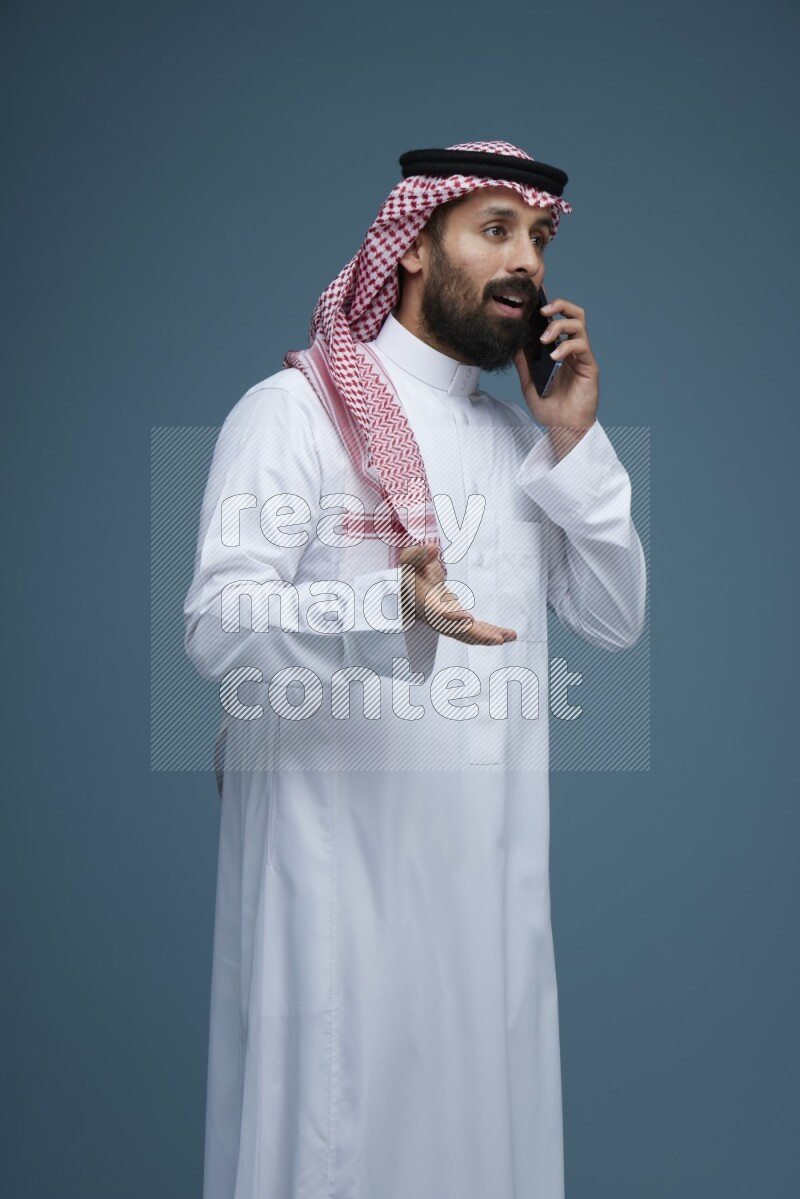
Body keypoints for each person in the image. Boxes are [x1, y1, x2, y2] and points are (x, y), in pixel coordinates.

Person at [183, 140, 647, 1199]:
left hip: (487, 907)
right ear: (408, 249)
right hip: (336, 900)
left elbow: (614, 618)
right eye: (494, 230)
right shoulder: (292, 415)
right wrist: (379, 608)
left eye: (536, 236)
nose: (524, 258)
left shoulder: (514, 445)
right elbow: (216, 624)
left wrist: (573, 442)